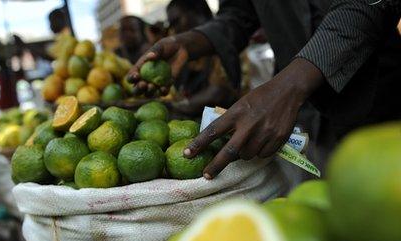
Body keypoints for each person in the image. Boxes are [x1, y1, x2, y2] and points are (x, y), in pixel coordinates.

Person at [128, 0, 401, 179]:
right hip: (303, 118)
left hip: (379, 101)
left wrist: (291, 85)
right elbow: (238, 12)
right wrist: (191, 41)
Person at [166, 0, 239, 116]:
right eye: (171, 25)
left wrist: (176, 106)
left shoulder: (226, 43)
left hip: (232, 121)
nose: (174, 30)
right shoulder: (184, 54)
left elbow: (218, 93)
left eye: (176, 22)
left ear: (198, 13)